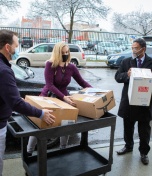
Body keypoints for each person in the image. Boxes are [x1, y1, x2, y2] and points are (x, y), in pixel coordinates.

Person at [0, 29, 56, 176]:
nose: (16, 49)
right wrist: (41, 113)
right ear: (7, 47)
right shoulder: (4, 71)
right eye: (16, 45)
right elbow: (16, 103)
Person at [27, 42, 92, 155]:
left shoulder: (71, 67)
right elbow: (50, 85)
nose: (65, 54)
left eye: (67, 52)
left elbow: (82, 82)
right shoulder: (50, 65)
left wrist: (95, 91)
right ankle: (29, 151)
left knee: (65, 124)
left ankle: (63, 149)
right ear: (57, 53)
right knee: (40, 125)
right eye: (63, 53)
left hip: (63, 98)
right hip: (48, 97)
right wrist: (64, 97)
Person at [115, 38, 152, 165]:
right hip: (129, 102)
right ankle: (128, 146)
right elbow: (117, 77)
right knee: (128, 127)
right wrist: (127, 75)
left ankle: (144, 153)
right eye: (132, 48)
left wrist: (150, 77)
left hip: (145, 102)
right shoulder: (127, 62)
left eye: (136, 48)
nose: (133, 50)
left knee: (144, 130)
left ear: (143, 49)